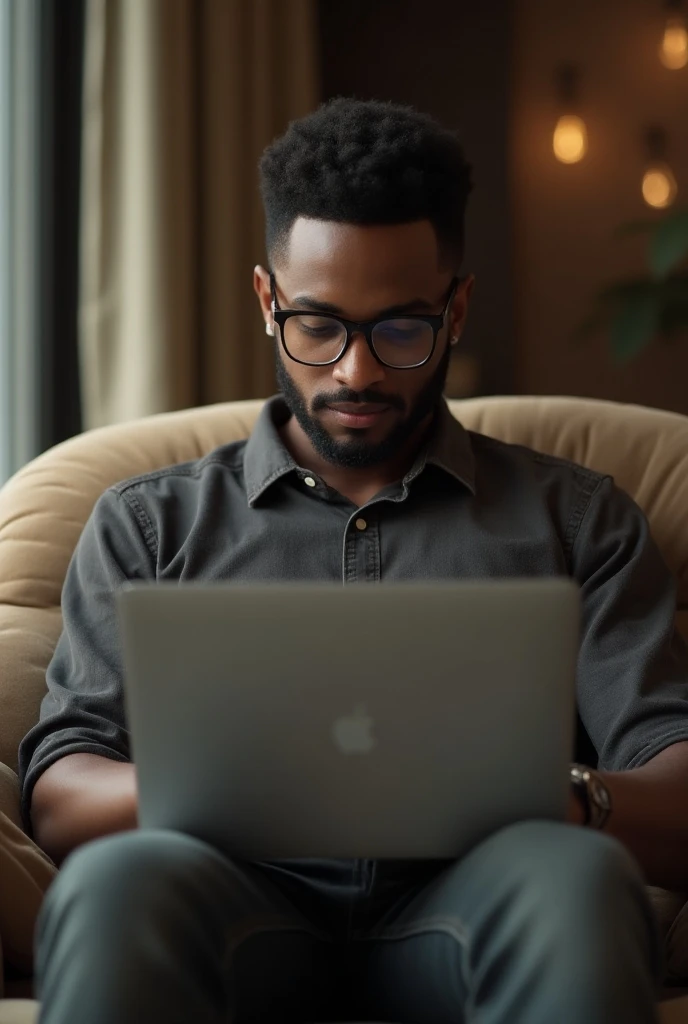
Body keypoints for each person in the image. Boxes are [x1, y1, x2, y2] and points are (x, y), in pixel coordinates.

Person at [17, 97, 688, 1024]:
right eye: (318, 326)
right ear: (267, 300)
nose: (356, 373)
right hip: (229, 907)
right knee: (119, 882)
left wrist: (545, 795)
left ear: (457, 308)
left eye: (401, 329)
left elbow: (679, 794)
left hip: (483, 909)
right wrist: (247, 786)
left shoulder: (580, 522)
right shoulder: (148, 525)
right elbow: (60, 790)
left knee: (575, 880)